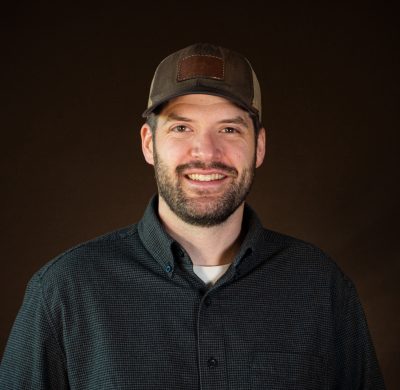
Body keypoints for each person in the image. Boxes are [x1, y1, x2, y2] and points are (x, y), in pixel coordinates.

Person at [0, 43, 385, 389]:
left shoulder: (321, 288)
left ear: (259, 147)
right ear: (149, 144)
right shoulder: (64, 291)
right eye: (181, 127)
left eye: (230, 129)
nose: (205, 152)